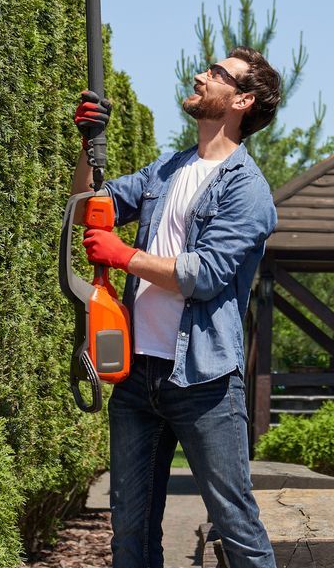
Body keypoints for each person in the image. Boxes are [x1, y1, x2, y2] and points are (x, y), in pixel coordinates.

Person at [73, 48, 282, 568]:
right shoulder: (166, 169)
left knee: (235, 525)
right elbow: (88, 208)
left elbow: (206, 275)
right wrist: (87, 143)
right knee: (130, 531)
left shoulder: (247, 189)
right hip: (138, 376)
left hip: (204, 381)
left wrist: (124, 256)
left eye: (216, 74)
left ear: (242, 99)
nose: (200, 75)